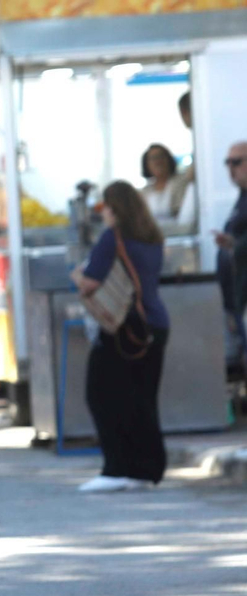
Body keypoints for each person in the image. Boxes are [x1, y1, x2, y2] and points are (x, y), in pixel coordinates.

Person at [71, 181, 171, 492]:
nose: (102, 214)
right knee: (142, 399)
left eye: (104, 207)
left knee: (103, 395)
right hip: (156, 323)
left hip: (123, 327)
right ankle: (146, 469)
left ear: (115, 209)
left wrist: (76, 274)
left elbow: (89, 283)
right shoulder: (152, 239)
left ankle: (117, 468)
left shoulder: (111, 240)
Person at [216, 142, 247, 367]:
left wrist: (235, 245)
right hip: (237, 298)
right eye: (227, 162)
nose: (231, 168)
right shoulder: (242, 199)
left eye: (237, 162)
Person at [140, 143, 194, 227]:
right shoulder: (144, 192)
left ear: (169, 159)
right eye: (153, 158)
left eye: (161, 156)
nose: (158, 161)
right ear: (146, 165)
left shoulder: (182, 183)